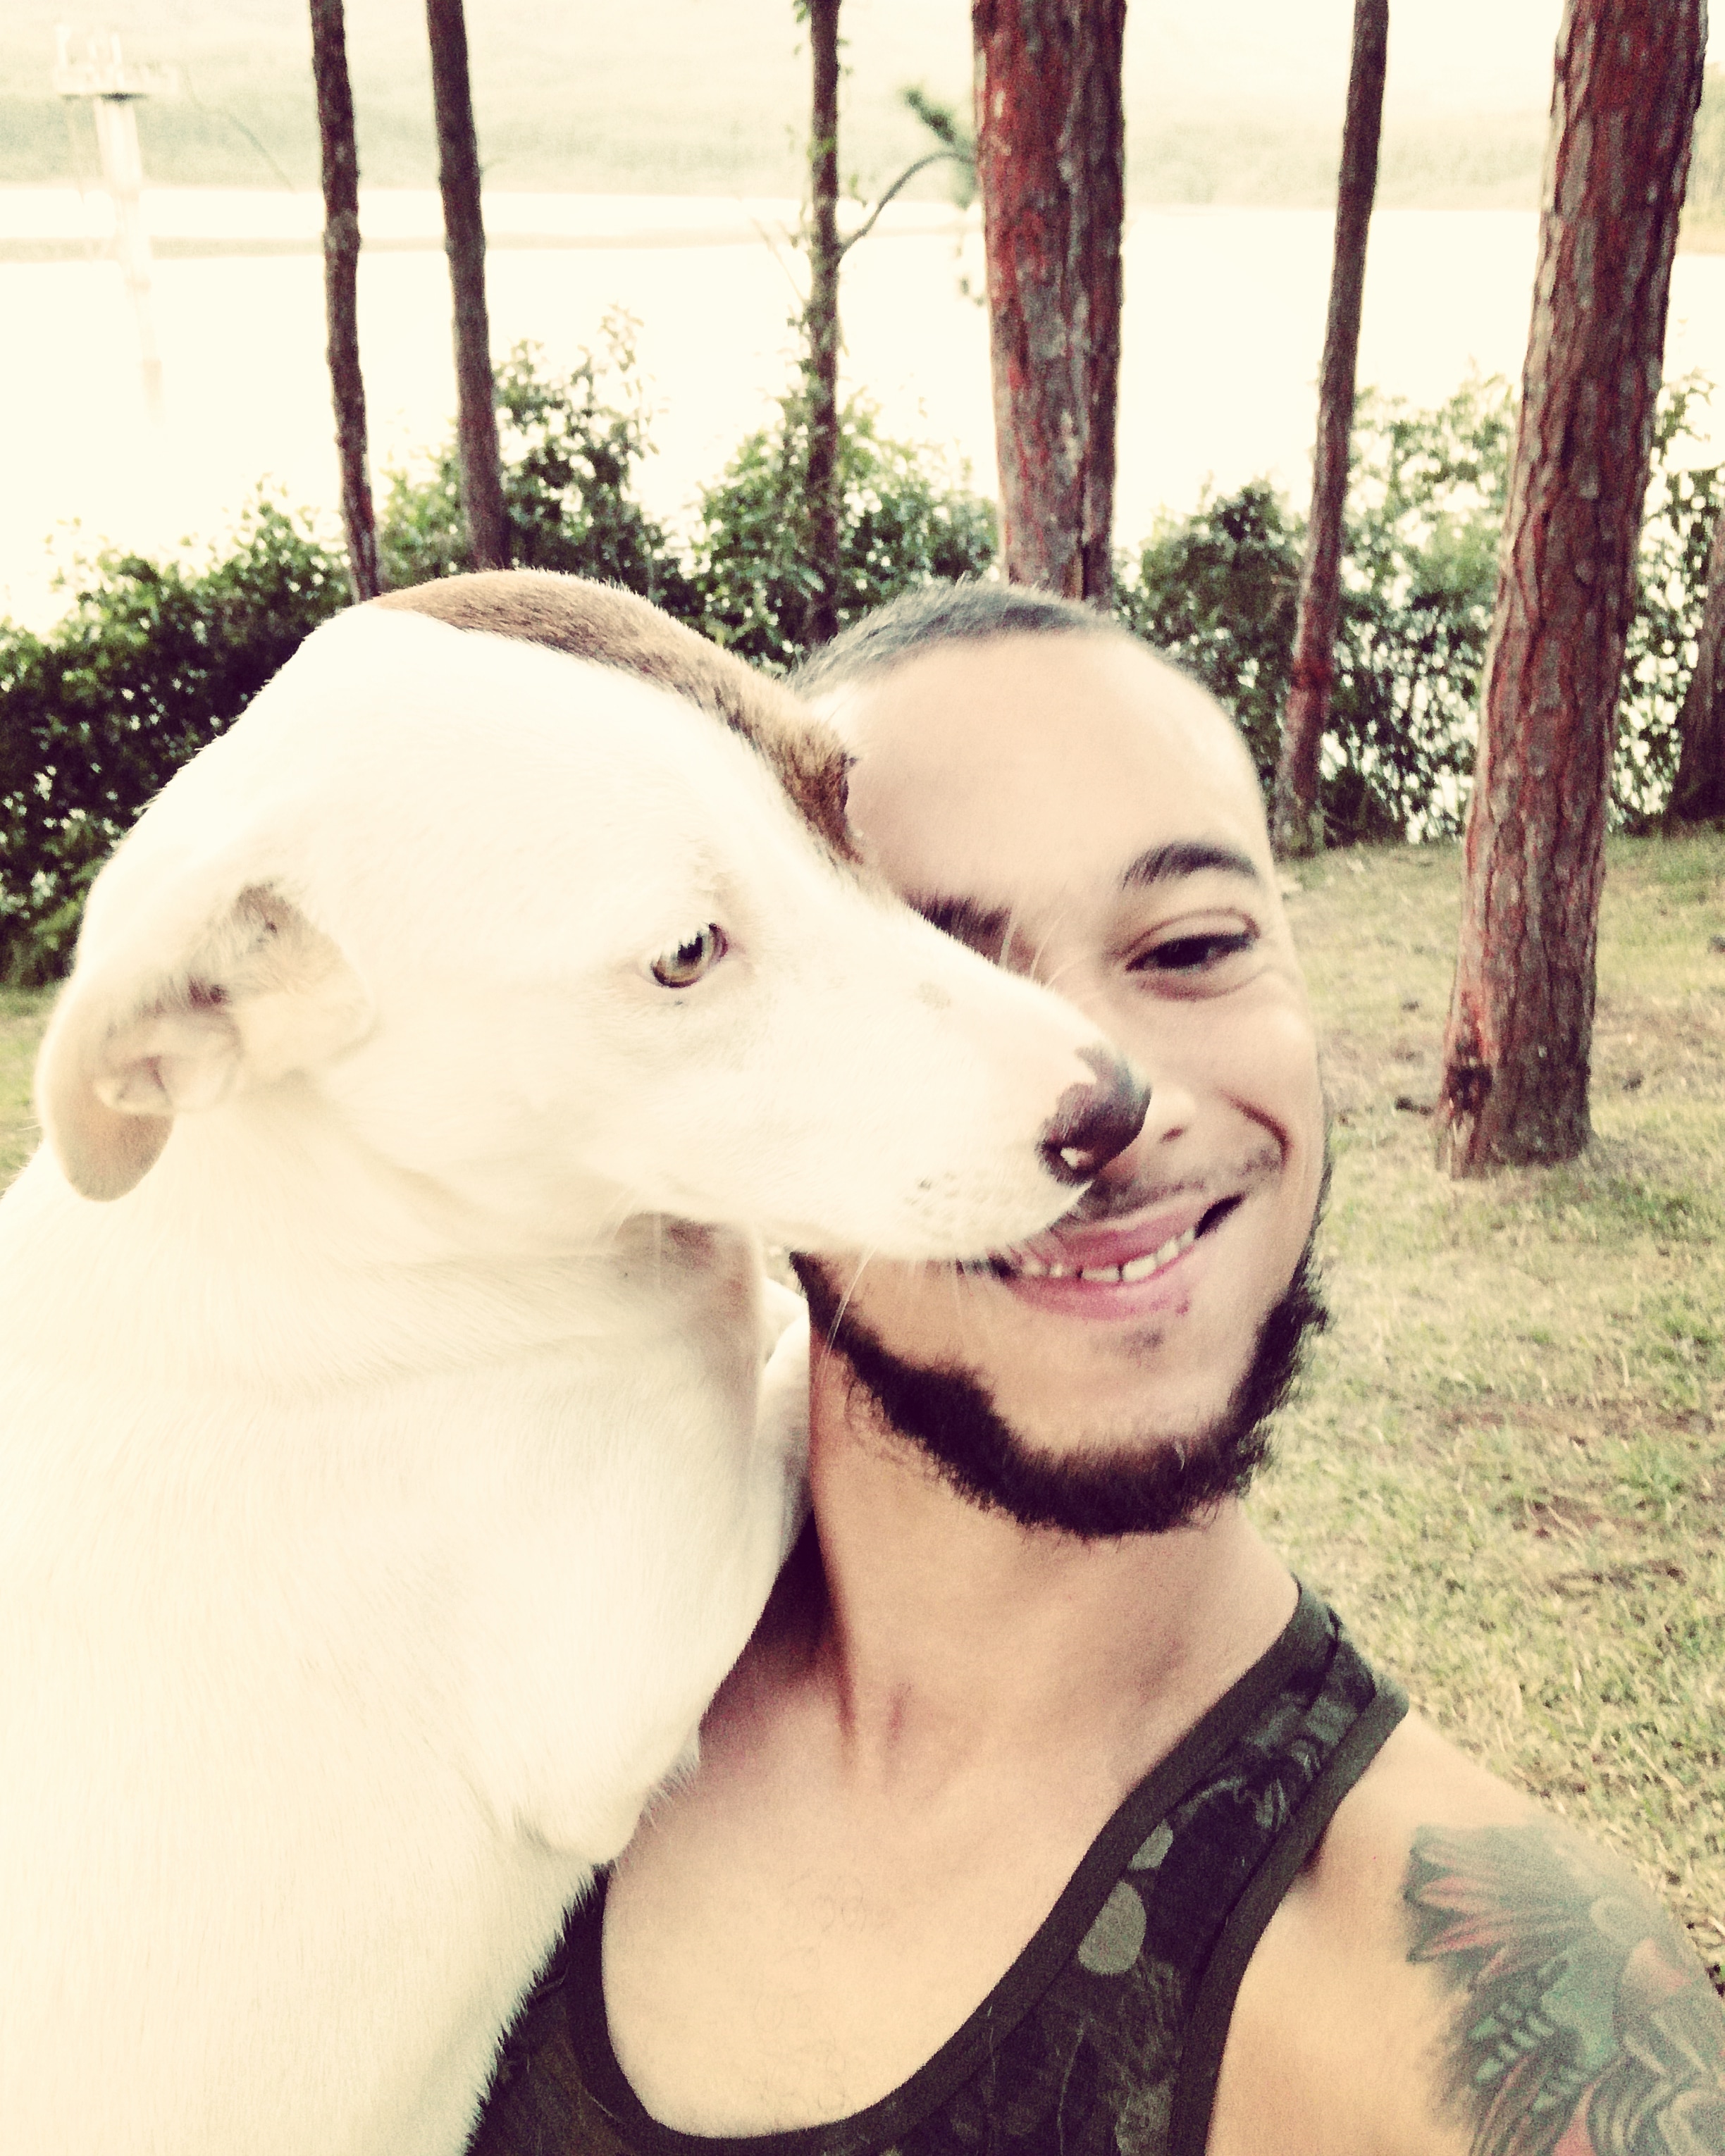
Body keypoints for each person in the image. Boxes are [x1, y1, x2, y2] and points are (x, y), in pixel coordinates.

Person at [467, 583, 1725, 2156]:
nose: (1107, 1093)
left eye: (1193, 947)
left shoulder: (1494, 2025)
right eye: (926, 971)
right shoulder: (490, 1685)